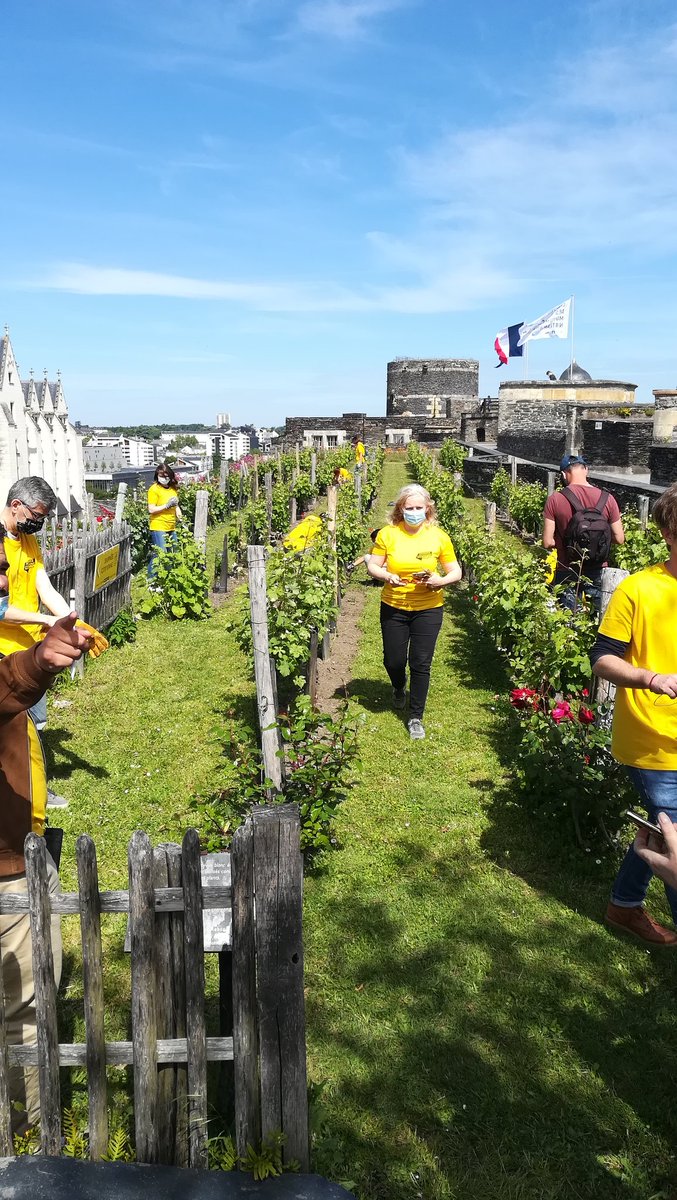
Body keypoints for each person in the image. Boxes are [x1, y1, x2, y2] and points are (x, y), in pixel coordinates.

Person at [0, 614, 92, 1133]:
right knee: (27, 1011)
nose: (3, 582)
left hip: (22, 846)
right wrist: (36, 662)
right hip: (7, 872)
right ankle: (26, 1137)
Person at [591, 481, 677, 946]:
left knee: (661, 832)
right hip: (653, 740)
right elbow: (602, 659)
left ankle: (623, 906)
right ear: (668, 533)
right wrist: (650, 678)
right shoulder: (638, 589)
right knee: (674, 835)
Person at [367, 484, 461, 739]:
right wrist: (387, 575)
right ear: (401, 509)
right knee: (393, 660)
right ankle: (399, 686)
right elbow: (373, 566)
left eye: (419, 507)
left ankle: (415, 716)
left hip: (428, 608)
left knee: (421, 662)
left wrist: (439, 580)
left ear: (428, 509)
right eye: (409, 508)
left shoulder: (438, 537)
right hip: (394, 605)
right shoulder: (387, 534)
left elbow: (455, 571)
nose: (414, 512)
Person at [542, 454, 624, 610]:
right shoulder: (608, 499)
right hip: (598, 569)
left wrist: (565, 541)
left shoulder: (555, 499)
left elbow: (547, 542)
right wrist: (596, 541)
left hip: (567, 569)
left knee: (568, 620)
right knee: (599, 616)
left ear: (564, 474)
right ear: (586, 470)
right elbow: (619, 538)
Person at [147, 463, 182, 580]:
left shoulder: (172, 489)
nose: (164, 478)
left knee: (173, 552)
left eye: (166, 476)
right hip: (158, 525)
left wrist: (180, 516)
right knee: (160, 552)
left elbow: (175, 505)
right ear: (157, 476)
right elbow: (151, 509)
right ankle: (151, 579)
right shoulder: (154, 489)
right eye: (161, 476)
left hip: (171, 525)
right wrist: (166, 506)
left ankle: (169, 576)